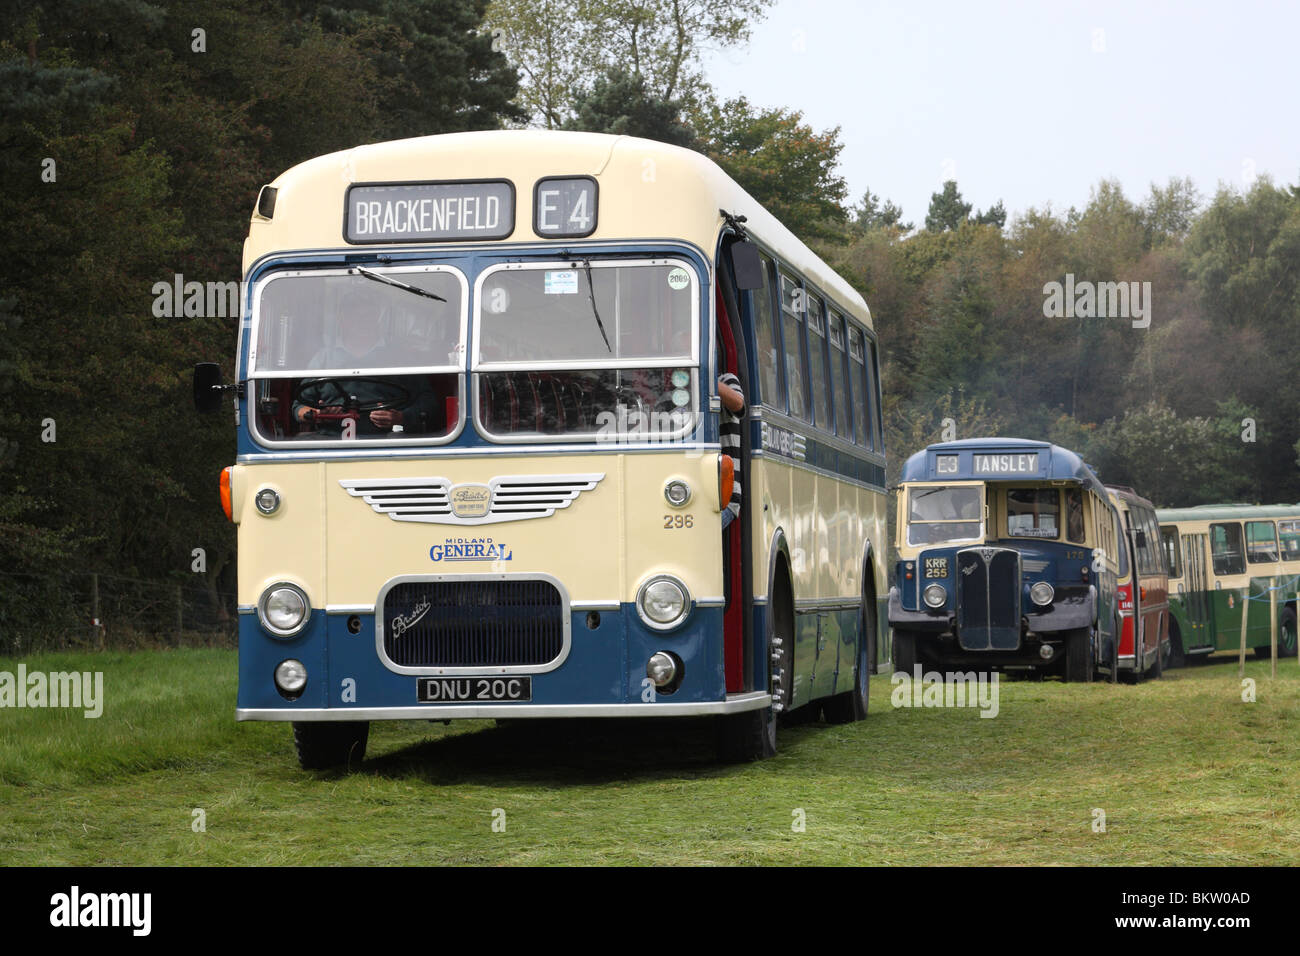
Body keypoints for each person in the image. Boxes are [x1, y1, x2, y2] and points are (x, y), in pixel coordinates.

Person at [292, 293, 442, 437]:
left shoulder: (400, 358)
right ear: (341, 319)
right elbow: (298, 408)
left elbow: (428, 403)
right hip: (329, 441)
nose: (360, 322)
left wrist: (400, 417)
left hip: (386, 444)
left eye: (367, 316)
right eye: (353, 316)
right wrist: (318, 415)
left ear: (376, 318)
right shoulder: (323, 358)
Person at [718, 371, 744, 529]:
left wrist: (705, 378)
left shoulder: (726, 379)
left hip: (725, 498)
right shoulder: (670, 389)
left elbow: (738, 404)